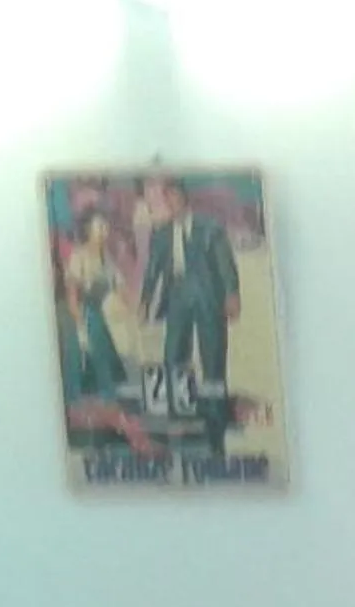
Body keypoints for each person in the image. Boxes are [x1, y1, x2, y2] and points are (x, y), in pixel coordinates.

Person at [139, 177, 241, 424]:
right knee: (174, 351)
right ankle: (181, 405)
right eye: (167, 199)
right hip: (178, 296)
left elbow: (225, 264)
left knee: (213, 352)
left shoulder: (209, 228)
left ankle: (216, 410)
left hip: (208, 296)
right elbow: (153, 270)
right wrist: (146, 299)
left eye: (175, 197)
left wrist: (231, 293)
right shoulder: (161, 234)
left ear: (184, 198)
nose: (171, 204)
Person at [58, 209, 131, 403]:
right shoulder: (79, 255)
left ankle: (108, 394)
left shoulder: (106, 257)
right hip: (80, 312)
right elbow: (72, 288)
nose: (104, 230)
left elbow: (119, 283)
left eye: (106, 226)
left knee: (105, 352)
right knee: (82, 357)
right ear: (88, 229)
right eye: (99, 226)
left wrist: (131, 307)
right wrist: (78, 319)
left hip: (97, 311)